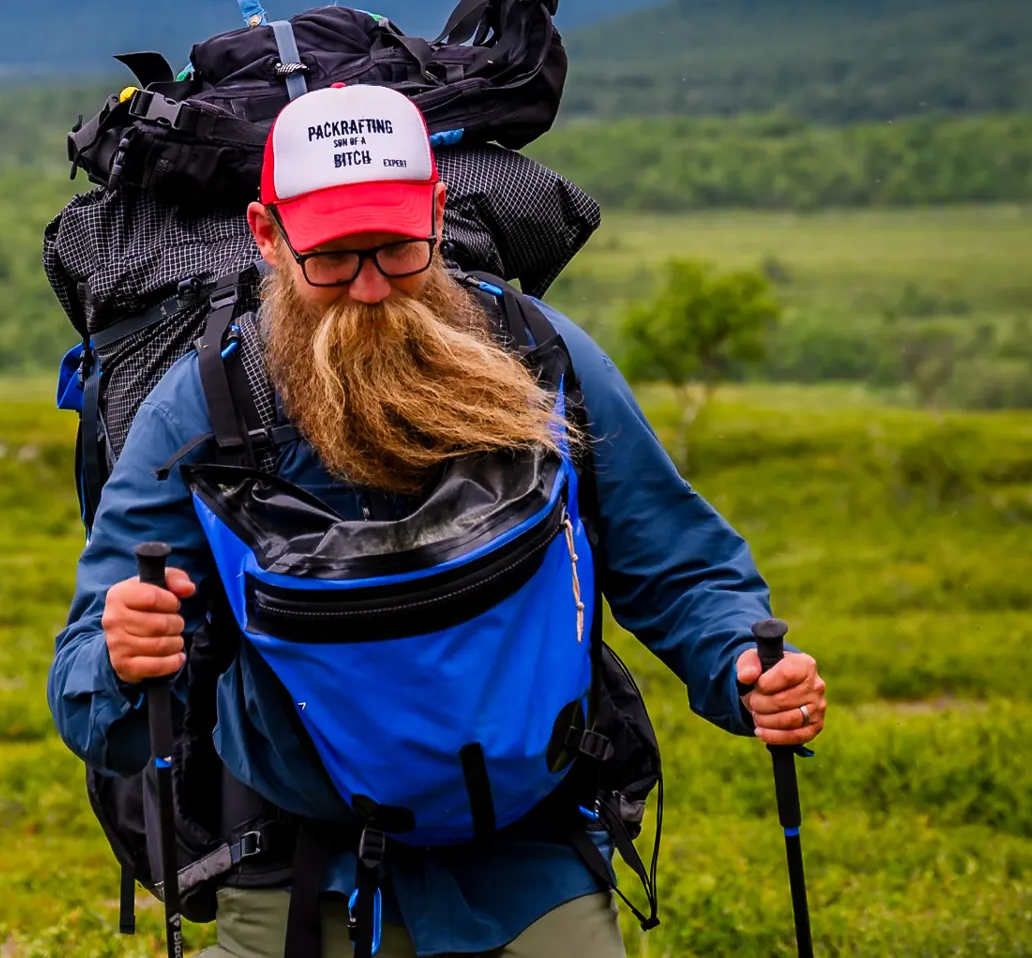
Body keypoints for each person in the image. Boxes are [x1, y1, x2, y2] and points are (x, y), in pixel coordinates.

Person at [51, 84, 824, 957]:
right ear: (267, 235)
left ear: (437, 210)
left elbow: (675, 561)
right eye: (335, 258)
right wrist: (123, 658)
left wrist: (743, 664)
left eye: (397, 248)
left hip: (529, 856)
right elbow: (88, 701)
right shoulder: (203, 406)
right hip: (301, 864)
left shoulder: (540, 358)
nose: (373, 287)